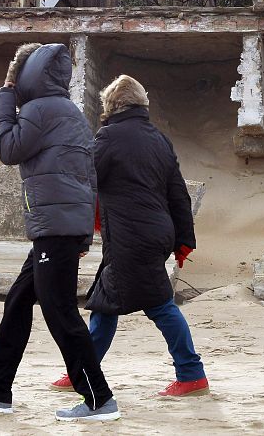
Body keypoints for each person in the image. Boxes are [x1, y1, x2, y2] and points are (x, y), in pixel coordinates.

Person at [0, 43, 120, 422]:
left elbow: (7, 148)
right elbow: (88, 176)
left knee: (60, 311)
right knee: (18, 302)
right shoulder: (69, 111)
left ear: (27, 76)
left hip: (55, 227)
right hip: (61, 226)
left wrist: (4, 98)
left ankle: (99, 399)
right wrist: (83, 233)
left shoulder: (40, 110)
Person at [50, 74, 208, 397]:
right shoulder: (159, 140)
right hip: (151, 236)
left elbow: (85, 184)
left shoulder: (108, 138)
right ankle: (83, 369)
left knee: (159, 306)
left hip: (129, 239)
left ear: (112, 105)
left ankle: (192, 374)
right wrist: (183, 240)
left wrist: (75, 234)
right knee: (106, 304)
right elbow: (178, 193)